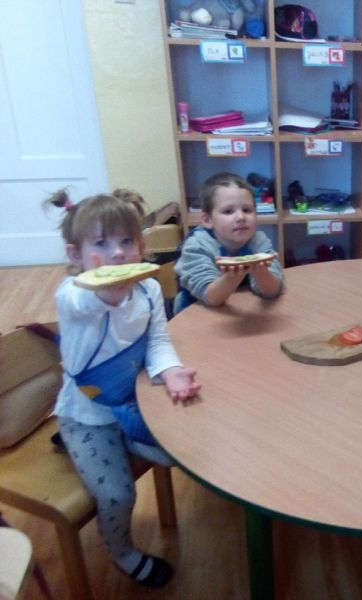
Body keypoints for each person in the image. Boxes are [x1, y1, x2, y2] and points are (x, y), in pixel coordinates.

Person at [47, 188, 201, 588]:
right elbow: (90, 303)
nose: (117, 253)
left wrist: (171, 371)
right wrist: (107, 292)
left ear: (141, 247)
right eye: (101, 244)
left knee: (176, 455)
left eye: (127, 241)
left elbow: (158, 341)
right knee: (118, 495)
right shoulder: (73, 294)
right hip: (88, 415)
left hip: (132, 400)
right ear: (76, 254)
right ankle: (122, 552)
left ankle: (105, 443)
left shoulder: (148, 289)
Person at [174, 172, 284, 313]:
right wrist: (234, 275)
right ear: (208, 220)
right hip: (196, 312)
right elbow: (211, 298)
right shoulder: (197, 246)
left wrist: (261, 272)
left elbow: (272, 291)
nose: (241, 217)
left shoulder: (258, 240)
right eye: (228, 211)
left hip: (241, 309)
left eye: (247, 210)